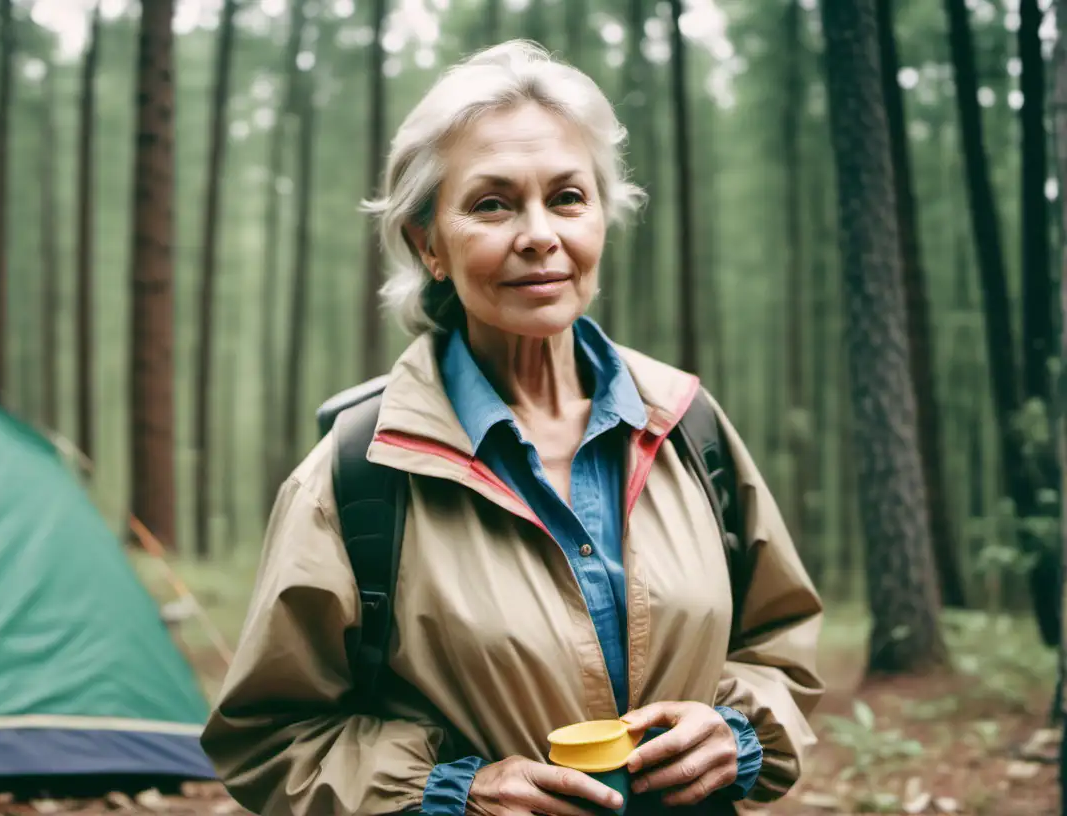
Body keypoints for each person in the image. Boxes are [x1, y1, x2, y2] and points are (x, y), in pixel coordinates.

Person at [201, 40, 824, 816]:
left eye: (567, 197)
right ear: (429, 243)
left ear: (601, 218)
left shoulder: (686, 424)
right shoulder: (358, 471)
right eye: (492, 204)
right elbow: (267, 736)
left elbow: (781, 647)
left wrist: (738, 728)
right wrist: (447, 793)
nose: (539, 234)